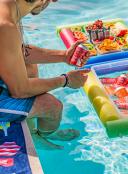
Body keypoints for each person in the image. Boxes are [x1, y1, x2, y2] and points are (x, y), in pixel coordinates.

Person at [0, 0, 90, 149]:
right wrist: (66, 80)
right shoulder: (5, 26)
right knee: (52, 106)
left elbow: (19, 51)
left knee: (29, 68)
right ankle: (39, 136)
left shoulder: (6, 7)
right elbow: (20, 91)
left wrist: (63, 56)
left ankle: (32, 127)